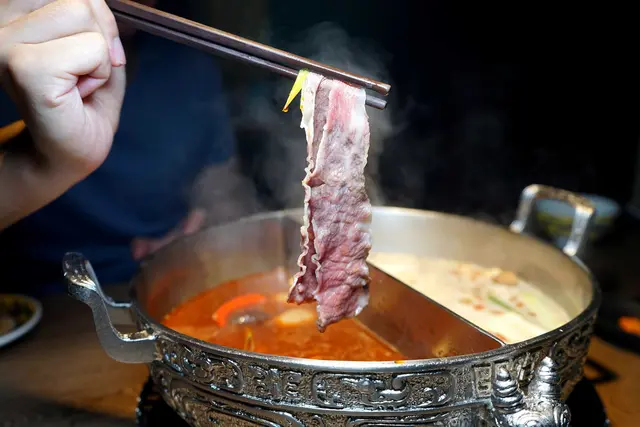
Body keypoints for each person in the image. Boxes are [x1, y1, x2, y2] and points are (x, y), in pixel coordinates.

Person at [0, 0, 252, 295]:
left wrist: (207, 234)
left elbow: (222, 184)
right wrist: (38, 170)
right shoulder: (11, 52)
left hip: (165, 289)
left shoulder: (189, 59)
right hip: (34, 300)